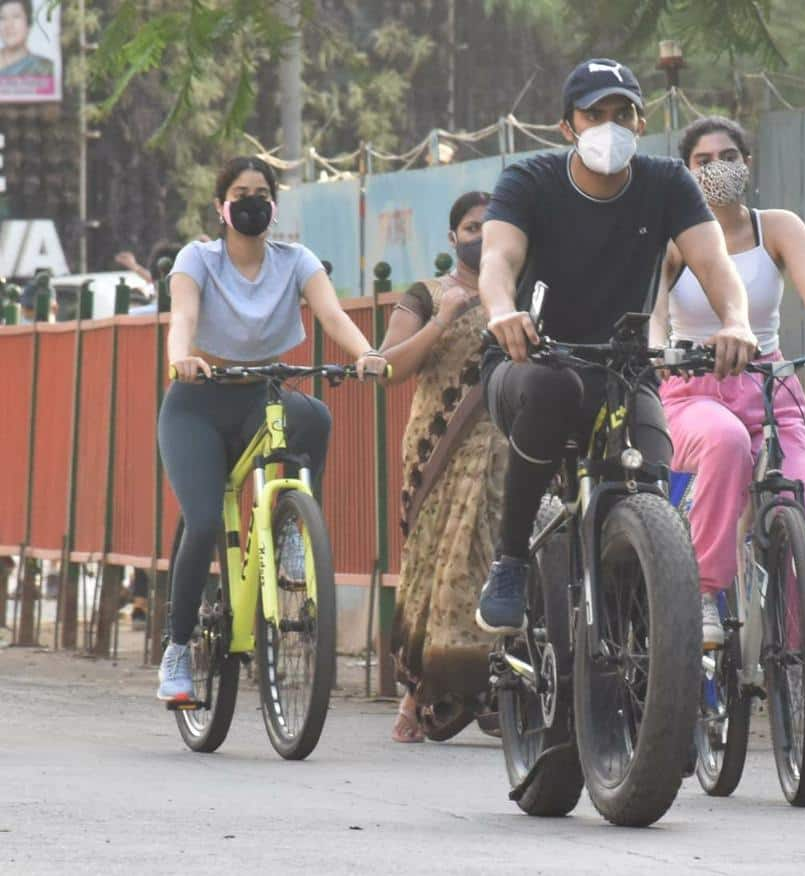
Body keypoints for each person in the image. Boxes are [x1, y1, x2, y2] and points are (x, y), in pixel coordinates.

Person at [475, 59, 758, 635]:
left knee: (651, 486)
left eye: (623, 113)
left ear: (641, 119)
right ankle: (510, 561)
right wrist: (502, 311)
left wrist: (737, 320)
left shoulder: (666, 184)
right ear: (567, 127)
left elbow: (714, 264)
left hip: (625, 371)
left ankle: (639, 651)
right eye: (594, 114)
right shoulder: (529, 181)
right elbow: (498, 258)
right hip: (530, 362)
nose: (611, 125)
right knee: (554, 390)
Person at [156, 156, 387, 702]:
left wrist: (367, 354)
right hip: (197, 403)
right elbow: (182, 318)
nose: (252, 200)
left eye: (262, 192)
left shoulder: (296, 260)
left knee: (314, 418)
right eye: (240, 192)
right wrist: (180, 358)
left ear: (274, 205)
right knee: (206, 516)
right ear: (221, 206)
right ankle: (176, 649)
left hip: (261, 394)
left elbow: (332, 315)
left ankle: (294, 533)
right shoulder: (198, 259)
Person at [650, 116, 805, 648]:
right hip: (693, 387)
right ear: (686, 172)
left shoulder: (776, 227)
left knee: (802, 509)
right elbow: (654, 310)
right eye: (703, 161)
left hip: (770, 385)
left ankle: (800, 649)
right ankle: (707, 593)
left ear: (747, 164)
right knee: (724, 442)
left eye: (728, 157)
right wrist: (658, 350)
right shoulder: (673, 238)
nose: (718, 169)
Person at [380, 191, 507, 743]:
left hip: (508, 450)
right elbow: (388, 366)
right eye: (472, 227)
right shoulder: (426, 295)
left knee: (498, 564)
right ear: (453, 237)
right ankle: (417, 693)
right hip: (438, 450)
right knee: (434, 568)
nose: (481, 237)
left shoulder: (518, 295)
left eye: (492, 227)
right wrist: (444, 320)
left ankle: (503, 689)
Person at [0, 1, 53, 77]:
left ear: (29, 23)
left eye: (16, 17)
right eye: (2, 18)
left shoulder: (43, 67)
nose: (8, 25)